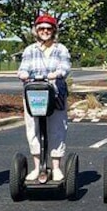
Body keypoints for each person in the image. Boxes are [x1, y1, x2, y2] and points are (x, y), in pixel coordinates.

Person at [17, 14, 71, 181]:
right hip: (34, 95)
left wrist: (57, 73)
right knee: (33, 129)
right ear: (36, 30)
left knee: (56, 129)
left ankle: (55, 168)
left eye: (48, 28)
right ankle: (37, 166)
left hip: (55, 94)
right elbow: (23, 68)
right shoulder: (30, 50)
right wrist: (23, 74)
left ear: (53, 30)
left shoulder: (60, 49)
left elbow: (65, 67)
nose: (45, 31)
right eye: (41, 28)